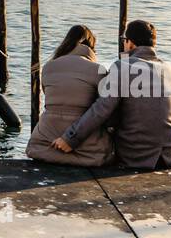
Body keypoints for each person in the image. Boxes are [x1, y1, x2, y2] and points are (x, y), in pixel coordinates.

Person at [52, 19, 171, 169]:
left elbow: (102, 109)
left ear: (130, 42)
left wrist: (70, 138)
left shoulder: (123, 66)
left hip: (136, 157)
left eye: (124, 40)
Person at [26, 25, 116, 166]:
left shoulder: (48, 67)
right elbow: (103, 109)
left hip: (43, 145)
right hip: (88, 151)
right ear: (91, 46)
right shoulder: (98, 70)